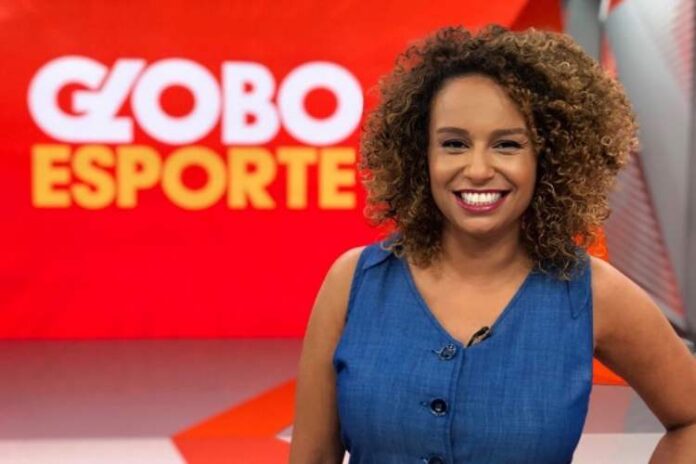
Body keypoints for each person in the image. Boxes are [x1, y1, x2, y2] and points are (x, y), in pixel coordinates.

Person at [289, 24, 696, 463]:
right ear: (421, 155)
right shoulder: (354, 282)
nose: (478, 169)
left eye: (506, 145)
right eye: (454, 144)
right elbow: (313, 457)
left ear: (547, 158)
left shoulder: (595, 294)